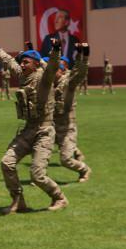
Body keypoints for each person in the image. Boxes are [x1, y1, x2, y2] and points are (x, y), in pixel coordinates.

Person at [0, 38, 69, 214]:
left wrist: (56, 49)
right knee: (7, 163)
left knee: (37, 175)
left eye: (25, 62)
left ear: (36, 64)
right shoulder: (24, 75)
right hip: (28, 130)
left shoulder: (44, 78)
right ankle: (18, 201)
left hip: (44, 131)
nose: (21, 65)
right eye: (21, 62)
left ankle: (59, 197)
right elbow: (9, 62)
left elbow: (53, 66)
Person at [53, 43, 92, 182]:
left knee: (65, 160)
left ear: (63, 71)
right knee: (38, 149)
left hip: (67, 127)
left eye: (55, 70)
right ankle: (38, 176)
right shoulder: (48, 84)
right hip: (51, 125)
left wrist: (83, 54)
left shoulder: (69, 83)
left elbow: (80, 71)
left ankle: (84, 169)